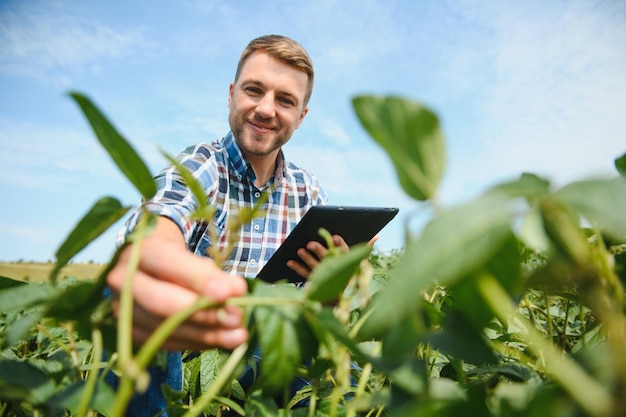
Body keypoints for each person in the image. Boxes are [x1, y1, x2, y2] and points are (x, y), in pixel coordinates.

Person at [105, 34, 347, 416]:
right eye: (254, 90)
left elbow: (315, 311)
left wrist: (331, 285)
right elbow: (164, 211)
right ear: (232, 94)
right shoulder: (204, 164)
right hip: (189, 346)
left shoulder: (308, 191)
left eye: (285, 100)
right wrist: (151, 255)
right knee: (129, 292)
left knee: (338, 386)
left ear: (301, 117)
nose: (266, 109)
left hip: (263, 349)